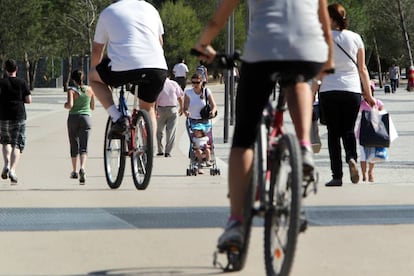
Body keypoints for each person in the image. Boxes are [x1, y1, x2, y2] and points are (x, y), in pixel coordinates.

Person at [193, 0, 334, 251]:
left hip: (263, 51)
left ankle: (236, 222)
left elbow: (218, 19)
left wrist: (203, 45)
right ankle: (303, 146)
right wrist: (329, 60)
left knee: (244, 137)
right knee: (299, 79)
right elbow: (324, 19)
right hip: (309, 49)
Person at [89, 0, 168, 140]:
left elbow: (97, 50)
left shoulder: (108, 12)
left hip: (123, 68)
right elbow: (160, 42)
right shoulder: (151, 9)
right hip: (157, 66)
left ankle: (117, 118)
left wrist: (97, 70)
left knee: (93, 77)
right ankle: (147, 152)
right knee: (148, 108)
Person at [318, 3, 376, 187]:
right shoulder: (356, 38)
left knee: (333, 134)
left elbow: (320, 69)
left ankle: (337, 176)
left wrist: (311, 93)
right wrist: (368, 94)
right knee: (349, 130)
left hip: (329, 90)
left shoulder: (323, 38)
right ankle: (351, 158)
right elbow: (363, 69)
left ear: (332, 19)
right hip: (352, 91)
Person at [0, 59, 32, 184]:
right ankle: (13, 170)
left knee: (5, 141)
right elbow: (28, 100)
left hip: (3, 116)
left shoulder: (1, 83)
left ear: (5, 69)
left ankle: (6, 164)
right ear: (16, 69)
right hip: (18, 116)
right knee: (17, 144)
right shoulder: (22, 82)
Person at [64, 69, 95, 184]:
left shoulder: (71, 90)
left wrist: (65, 105)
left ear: (73, 79)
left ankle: (74, 170)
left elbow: (70, 105)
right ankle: (83, 168)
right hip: (86, 118)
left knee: (74, 144)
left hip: (73, 118)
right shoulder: (90, 90)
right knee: (84, 146)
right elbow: (92, 107)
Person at [357, 81, 384, 182]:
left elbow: (383, 115)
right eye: (363, 91)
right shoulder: (360, 104)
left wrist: (375, 109)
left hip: (374, 133)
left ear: (372, 90)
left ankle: (370, 172)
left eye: (367, 90)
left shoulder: (378, 103)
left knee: (372, 154)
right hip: (362, 132)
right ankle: (363, 174)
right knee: (363, 154)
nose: (364, 93)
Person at [156, 77, 184, 157]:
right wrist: (181, 108)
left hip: (160, 109)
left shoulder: (158, 84)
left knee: (159, 131)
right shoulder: (174, 83)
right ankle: (168, 152)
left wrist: (154, 110)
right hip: (172, 109)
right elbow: (180, 97)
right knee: (171, 131)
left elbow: (154, 99)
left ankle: (160, 150)